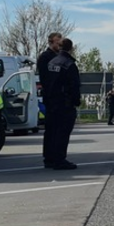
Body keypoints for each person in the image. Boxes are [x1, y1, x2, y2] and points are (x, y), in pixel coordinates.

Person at [45, 38, 81, 170]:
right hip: (65, 103)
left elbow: (46, 82)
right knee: (63, 132)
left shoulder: (51, 62)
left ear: (59, 47)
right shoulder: (69, 64)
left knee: (52, 132)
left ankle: (50, 159)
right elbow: (74, 85)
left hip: (52, 102)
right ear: (71, 48)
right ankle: (60, 160)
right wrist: (76, 101)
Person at [37, 32, 62, 167]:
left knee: (58, 130)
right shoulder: (45, 57)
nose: (59, 45)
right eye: (57, 42)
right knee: (51, 129)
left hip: (59, 98)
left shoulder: (60, 56)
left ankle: (56, 156)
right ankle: (49, 158)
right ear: (51, 42)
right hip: (51, 98)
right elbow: (46, 79)